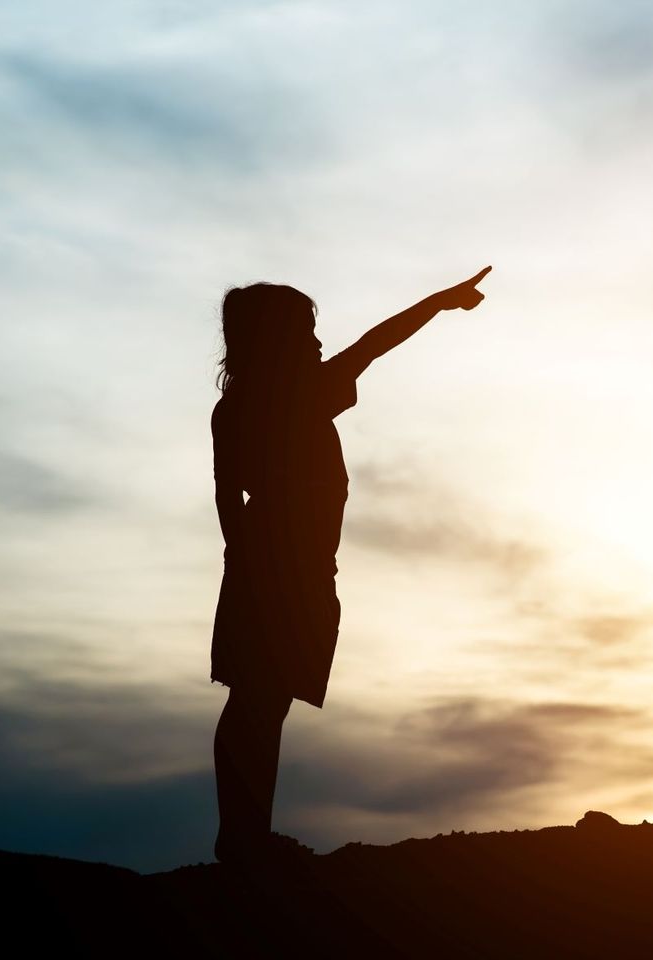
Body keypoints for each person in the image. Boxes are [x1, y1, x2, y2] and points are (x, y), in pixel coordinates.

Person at [208, 266, 492, 871]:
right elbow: (375, 343)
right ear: (276, 341)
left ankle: (245, 835)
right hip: (283, 572)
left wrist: (243, 560)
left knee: (259, 701)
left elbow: (226, 496)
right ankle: (243, 841)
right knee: (259, 703)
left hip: (283, 568)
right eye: (305, 332)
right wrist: (439, 302)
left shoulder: (239, 407)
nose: (317, 342)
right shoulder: (298, 396)